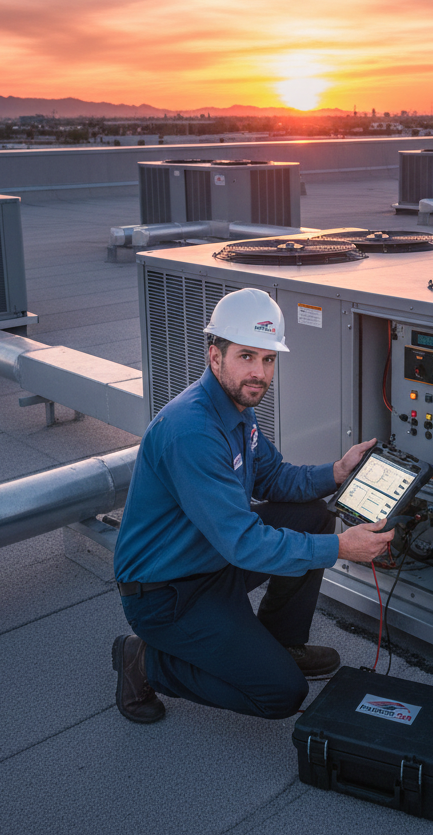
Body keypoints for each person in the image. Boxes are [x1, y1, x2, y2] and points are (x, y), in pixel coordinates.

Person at [111, 287, 394, 723]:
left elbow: (275, 478)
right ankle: (146, 660)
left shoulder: (238, 407)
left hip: (211, 558)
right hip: (168, 594)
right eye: (247, 356)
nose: (259, 373)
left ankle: (280, 643)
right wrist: (341, 548)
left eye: (268, 359)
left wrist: (337, 471)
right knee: (281, 694)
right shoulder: (192, 431)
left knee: (315, 515)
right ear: (214, 355)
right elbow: (244, 542)